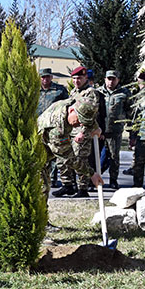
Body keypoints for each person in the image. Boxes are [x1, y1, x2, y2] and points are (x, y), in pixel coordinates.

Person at [37, 96, 103, 200]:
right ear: (72, 110)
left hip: (47, 152)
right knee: (42, 190)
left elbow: (88, 114)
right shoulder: (57, 130)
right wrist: (91, 174)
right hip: (36, 158)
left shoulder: (72, 103)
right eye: (80, 120)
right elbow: (69, 158)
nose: (80, 125)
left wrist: (94, 127)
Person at [58, 65, 100, 197]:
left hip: (82, 132)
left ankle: (83, 189)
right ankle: (67, 185)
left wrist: (83, 132)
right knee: (64, 158)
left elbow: (91, 116)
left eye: (79, 78)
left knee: (80, 160)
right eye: (74, 78)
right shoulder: (74, 92)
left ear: (85, 77)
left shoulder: (90, 92)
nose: (76, 81)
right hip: (70, 132)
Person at [100, 69, 132, 189]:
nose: (111, 81)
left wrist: (131, 132)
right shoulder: (99, 92)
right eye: (109, 79)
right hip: (99, 131)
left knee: (114, 157)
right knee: (97, 158)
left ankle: (113, 180)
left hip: (115, 131)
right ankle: (93, 180)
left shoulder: (124, 93)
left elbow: (130, 112)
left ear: (118, 80)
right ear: (105, 79)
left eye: (113, 79)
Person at [37, 68, 69, 187]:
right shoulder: (35, 90)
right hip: (39, 126)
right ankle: (43, 178)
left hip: (54, 127)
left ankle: (53, 178)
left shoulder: (59, 90)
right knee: (42, 153)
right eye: (43, 77)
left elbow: (67, 105)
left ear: (51, 77)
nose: (45, 79)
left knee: (54, 152)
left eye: (47, 77)